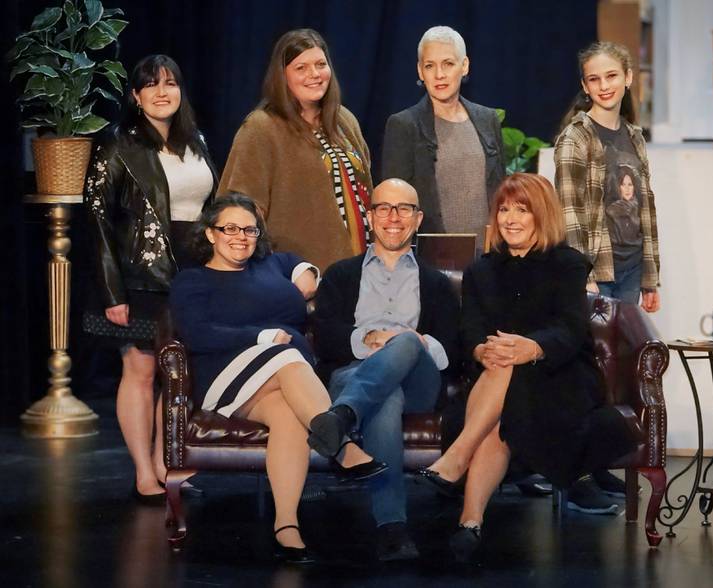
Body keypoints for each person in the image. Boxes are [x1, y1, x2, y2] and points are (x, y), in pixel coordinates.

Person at [419, 173, 637, 562]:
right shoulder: (480, 271)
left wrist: (533, 347)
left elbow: (570, 331)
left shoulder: (567, 265)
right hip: (498, 380)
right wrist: (483, 351)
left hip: (561, 376)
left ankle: (460, 469)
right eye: (504, 209)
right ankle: (470, 525)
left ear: (542, 215)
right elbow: (469, 331)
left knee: (508, 376)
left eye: (522, 209)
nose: (511, 218)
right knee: (504, 380)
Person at [169, 194, 386, 565]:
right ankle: (343, 447)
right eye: (230, 229)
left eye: (250, 229)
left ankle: (286, 527)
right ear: (210, 234)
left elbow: (306, 271)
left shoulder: (273, 264)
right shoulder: (193, 280)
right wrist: (261, 337)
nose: (241, 237)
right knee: (286, 355)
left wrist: (309, 272)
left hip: (279, 379)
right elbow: (197, 334)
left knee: (288, 417)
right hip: (224, 377)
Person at [83, 54, 217, 504]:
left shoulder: (194, 139)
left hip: (193, 275)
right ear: (136, 96)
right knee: (140, 372)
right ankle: (144, 472)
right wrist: (111, 290)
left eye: (171, 83)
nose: (163, 92)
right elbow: (97, 220)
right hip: (139, 275)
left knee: (177, 372)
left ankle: (167, 464)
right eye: (152, 85)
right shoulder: (117, 143)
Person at [312, 179, 459, 561]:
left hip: (419, 382)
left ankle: (342, 415)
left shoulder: (436, 283)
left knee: (406, 341)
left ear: (418, 218)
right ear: (370, 215)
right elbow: (325, 337)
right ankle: (392, 527)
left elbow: (455, 351)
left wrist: (410, 343)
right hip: (353, 373)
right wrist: (370, 338)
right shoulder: (341, 274)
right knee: (385, 396)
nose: (393, 217)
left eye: (404, 208)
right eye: (384, 208)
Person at [218, 28, 372, 272]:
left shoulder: (344, 120)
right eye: (301, 68)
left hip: (359, 271)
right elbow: (237, 212)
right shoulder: (261, 127)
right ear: (283, 76)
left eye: (321, 64)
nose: (314, 74)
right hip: (297, 276)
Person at [554, 41, 660, 313]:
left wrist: (650, 279)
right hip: (597, 271)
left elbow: (645, 209)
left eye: (611, 76)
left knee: (623, 349)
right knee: (597, 352)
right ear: (585, 86)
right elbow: (570, 214)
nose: (604, 86)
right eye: (594, 79)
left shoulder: (635, 137)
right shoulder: (575, 138)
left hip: (632, 268)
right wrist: (583, 276)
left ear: (628, 77)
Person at [382, 25, 504, 239]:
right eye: (430, 66)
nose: (439, 75)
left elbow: (502, 190)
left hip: (490, 256)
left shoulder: (488, 119)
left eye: (448, 64)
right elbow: (395, 205)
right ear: (420, 71)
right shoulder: (404, 125)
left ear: (464, 66)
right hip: (433, 258)